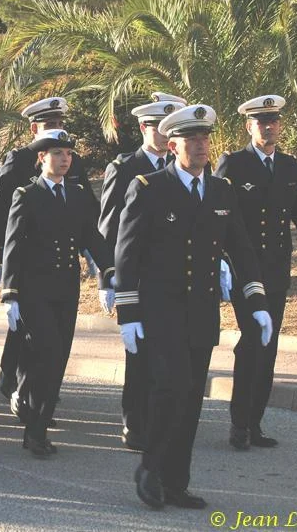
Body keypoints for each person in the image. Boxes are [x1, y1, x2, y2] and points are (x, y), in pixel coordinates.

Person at [114, 104, 273, 510]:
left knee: (190, 399)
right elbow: (127, 254)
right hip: (160, 309)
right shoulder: (148, 187)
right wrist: (128, 313)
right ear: (173, 145)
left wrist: (256, 301)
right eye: (192, 140)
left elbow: (241, 247)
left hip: (201, 311)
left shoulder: (221, 190)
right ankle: (150, 466)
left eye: (204, 139)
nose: (201, 146)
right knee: (171, 387)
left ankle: (175, 482)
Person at [215, 95, 297, 451]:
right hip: (243, 268)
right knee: (252, 337)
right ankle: (238, 422)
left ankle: (254, 423)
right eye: (261, 122)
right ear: (248, 126)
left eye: (273, 121)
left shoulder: (291, 167)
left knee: (269, 342)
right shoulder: (233, 164)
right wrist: (217, 259)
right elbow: (216, 211)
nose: (268, 127)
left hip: (277, 268)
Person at [1, 129, 114, 456]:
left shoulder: (77, 195)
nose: (65, 160)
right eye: (57, 154)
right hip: (35, 289)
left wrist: (108, 272)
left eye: (68, 154)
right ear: (41, 159)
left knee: (59, 358)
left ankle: (39, 422)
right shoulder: (27, 194)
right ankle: (34, 428)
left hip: (66, 288)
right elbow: (13, 247)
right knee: (46, 353)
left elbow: (91, 237)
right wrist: (10, 293)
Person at [0, 97, 96, 400]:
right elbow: (3, 212)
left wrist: (92, 248)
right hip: (28, 263)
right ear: (34, 128)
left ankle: (43, 387)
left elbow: (86, 205)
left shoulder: (69, 159)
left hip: (61, 265)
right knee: (24, 331)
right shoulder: (19, 160)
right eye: (50, 125)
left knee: (51, 337)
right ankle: (13, 379)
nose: (56, 129)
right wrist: (1, 254)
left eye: (60, 124)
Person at [98, 92, 186, 451]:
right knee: (139, 354)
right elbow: (108, 226)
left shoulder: (182, 167)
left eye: (168, 130)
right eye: (155, 128)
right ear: (142, 128)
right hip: (136, 273)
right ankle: (134, 422)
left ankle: (162, 419)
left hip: (174, 276)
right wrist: (108, 277)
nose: (163, 136)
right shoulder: (124, 167)